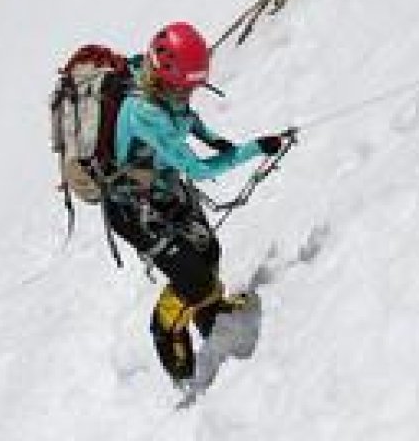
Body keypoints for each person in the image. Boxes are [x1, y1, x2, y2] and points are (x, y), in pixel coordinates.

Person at [104, 21, 288, 383]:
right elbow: (197, 169)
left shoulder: (158, 84)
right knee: (194, 278)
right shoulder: (145, 113)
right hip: (132, 209)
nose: (190, 93)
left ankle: (208, 314)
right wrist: (252, 149)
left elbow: (188, 119)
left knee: (208, 252)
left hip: (161, 190)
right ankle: (165, 328)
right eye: (186, 86)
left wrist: (213, 137)